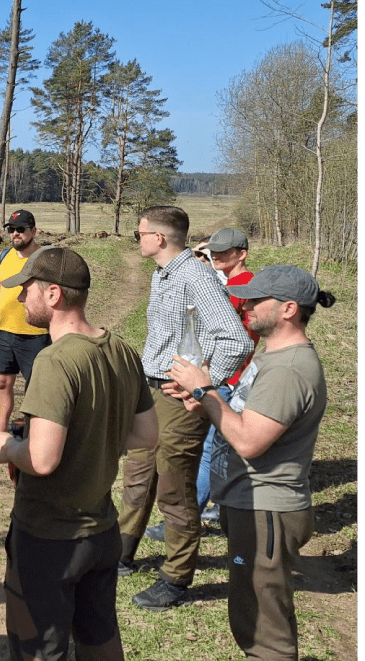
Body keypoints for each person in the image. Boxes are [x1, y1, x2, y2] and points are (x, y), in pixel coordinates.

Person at [0, 247, 159, 661]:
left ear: (53, 295)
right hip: (101, 532)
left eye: (26, 289)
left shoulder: (56, 361)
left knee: (39, 649)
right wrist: (93, 438)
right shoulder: (121, 350)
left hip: (49, 538)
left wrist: (5, 447)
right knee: (100, 643)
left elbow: (42, 460)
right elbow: (147, 434)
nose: (19, 298)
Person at [166, 265, 334, 660]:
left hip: (267, 510)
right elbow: (242, 414)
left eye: (258, 300)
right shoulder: (273, 356)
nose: (246, 306)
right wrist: (205, 399)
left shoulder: (289, 369)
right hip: (250, 504)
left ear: (289, 309)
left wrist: (204, 390)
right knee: (249, 613)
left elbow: (249, 441)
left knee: (264, 630)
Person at [118, 206, 254, 611]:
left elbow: (236, 339)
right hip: (152, 392)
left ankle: (176, 577)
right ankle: (121, 553)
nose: (137, 239)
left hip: (180, 400)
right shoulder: (166, 274)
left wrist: (202, 384)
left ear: (158, 238)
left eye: (140, 233)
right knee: (138, 473)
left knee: (174, 490)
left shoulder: (194, 276)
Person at [146, 226, 258, 542]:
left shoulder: (242, 286)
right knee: (217, 447)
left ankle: (185, 517)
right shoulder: (231, 283)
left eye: (223, 251)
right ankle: (216, 508)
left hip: (226, 378)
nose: (215, 255)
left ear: (242, 254)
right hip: (229, 377)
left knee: (210, 448)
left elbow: (230, 336)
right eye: (213, 251)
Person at [0, 209, 50, 452]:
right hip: (3, 332)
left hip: (36, 336)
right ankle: (0, 434)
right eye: (12, 229)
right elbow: (0, 287)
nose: (15, 233)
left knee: (35, 388)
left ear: (33, 231)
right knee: (1, 384)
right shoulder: (3, 256)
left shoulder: (46, 258)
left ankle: (32, 436)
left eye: (21, 229)